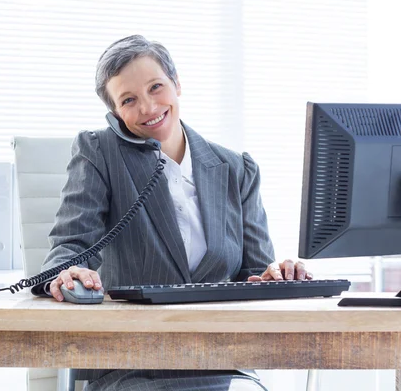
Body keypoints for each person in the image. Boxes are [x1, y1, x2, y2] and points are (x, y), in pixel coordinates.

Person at [40, 35, 312, 391]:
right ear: (115, 113)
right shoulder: (100, 152)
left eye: (156, 87)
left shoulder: (236, 169)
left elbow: (255, 274)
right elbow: (69, 245)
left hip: (222, 367)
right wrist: (67, 272)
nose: (148, 107)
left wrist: (279, 277)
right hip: (133, 366)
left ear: (177, 84)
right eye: (129, 100)